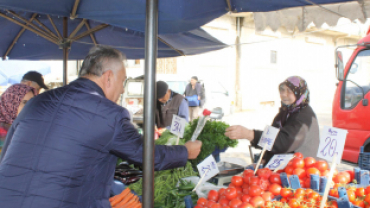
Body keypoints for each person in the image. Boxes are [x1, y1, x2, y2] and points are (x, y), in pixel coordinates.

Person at [0, 46, 202, 208]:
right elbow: (147, 155)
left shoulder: (38, 101)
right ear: (108, 78)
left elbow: (7, 153)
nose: (123, 89)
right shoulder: (109, 114)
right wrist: (185, 152)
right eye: (122, 81)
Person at [225, 76, 319, 164]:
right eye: (282, 90)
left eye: (289, 91)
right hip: (282, 168)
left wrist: (249, 134)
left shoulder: (304, 117)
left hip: (302, 170)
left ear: (300, 94)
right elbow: (271, 136)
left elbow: (284, 142)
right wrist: (264, 158)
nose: (283, 94)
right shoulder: (285, 113)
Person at [0, 84, 35, 152]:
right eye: (24, 102)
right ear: (10, 103)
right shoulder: (2, 132)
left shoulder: (34, 127)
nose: (30, 105)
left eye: (32, 101)